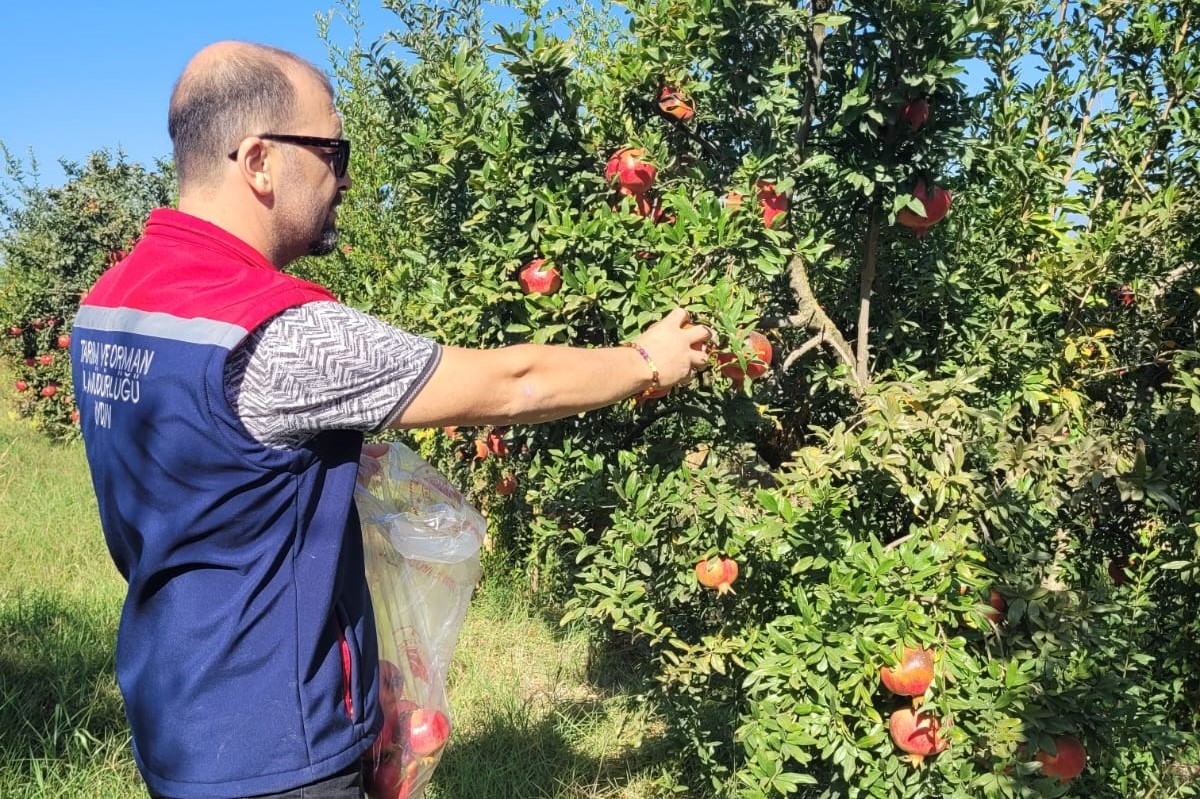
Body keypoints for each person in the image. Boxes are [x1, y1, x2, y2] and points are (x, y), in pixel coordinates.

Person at [69, 41, 710, 799]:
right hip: (280, 741)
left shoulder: (110, 303)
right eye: (333, 151)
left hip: (176, 709)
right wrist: (645, 360)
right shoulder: (280, 329)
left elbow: (204, 454)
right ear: (258, 162)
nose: (343, 177)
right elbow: (512, 383)